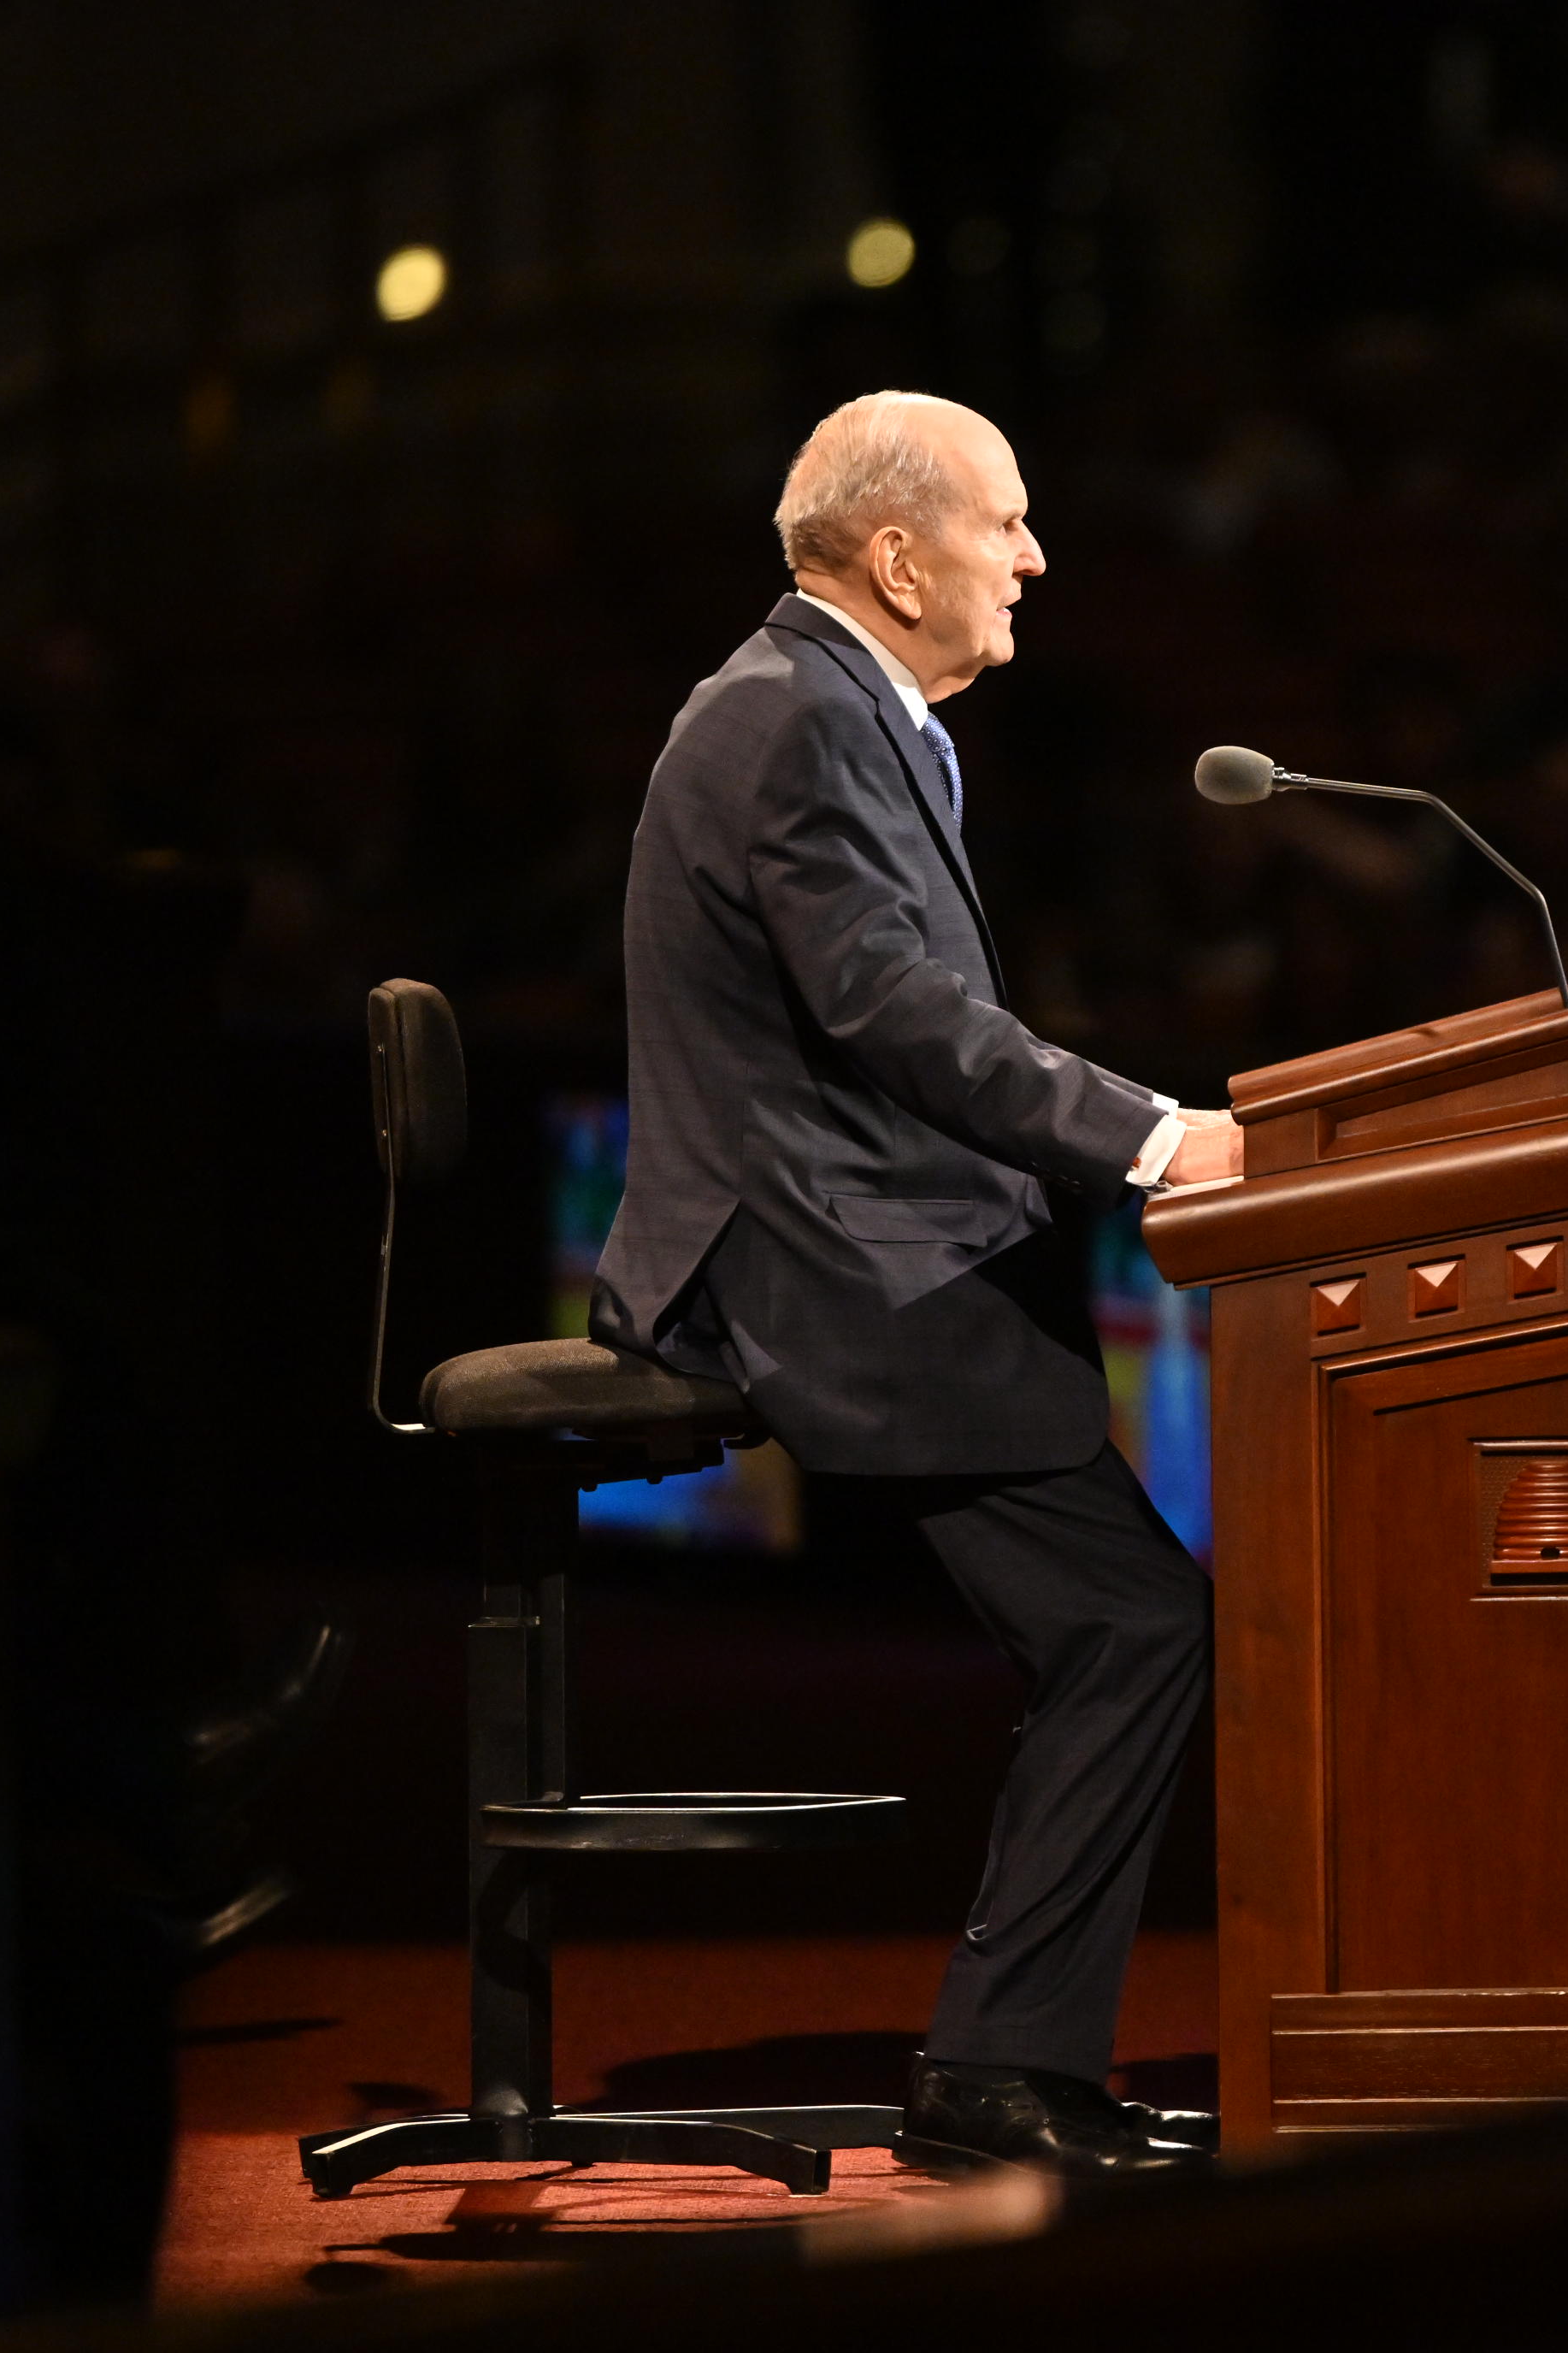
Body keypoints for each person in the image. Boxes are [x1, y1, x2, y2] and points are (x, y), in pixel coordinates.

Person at [591, 391, 1241, 2174]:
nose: (1033, 555)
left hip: (868, 1232)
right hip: (808, 1265)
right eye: (1006, 522)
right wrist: (1160, 1139)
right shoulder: (796, 715)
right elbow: (892, 1010)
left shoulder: (834, 703)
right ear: (898, 556)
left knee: (1127, 1613)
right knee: (1136, 1619)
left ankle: (1016, 2049)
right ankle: (995, 2073)